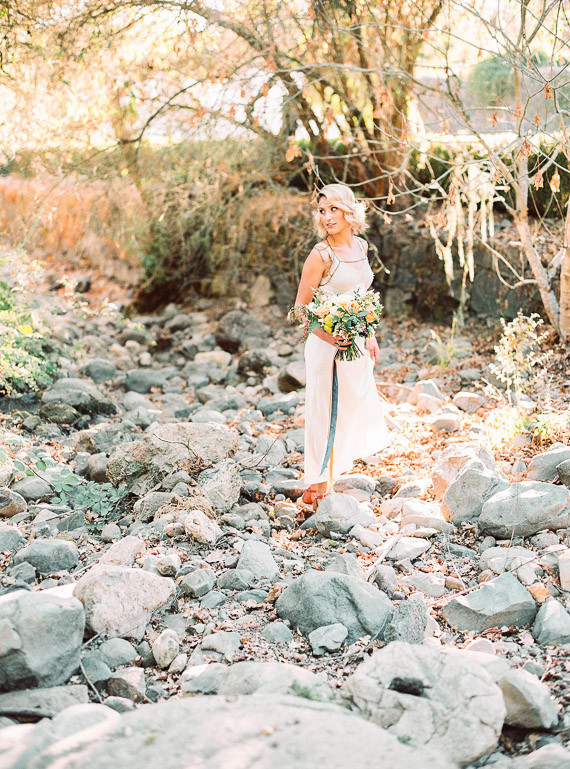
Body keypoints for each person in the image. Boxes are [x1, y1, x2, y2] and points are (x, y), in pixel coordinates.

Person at [293, 183, 389, 512]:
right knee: (324, 413)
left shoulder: (361, 246)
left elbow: (361, 296)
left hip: (356, 345)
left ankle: (319, 485)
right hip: (326, 348)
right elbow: (299, 310)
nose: (327, 216)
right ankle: (320, 488)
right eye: (322, 211)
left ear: (349, 210)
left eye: (334, 209)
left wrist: (369, 333)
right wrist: (329, 337)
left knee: (347, 411)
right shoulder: (320, 255)